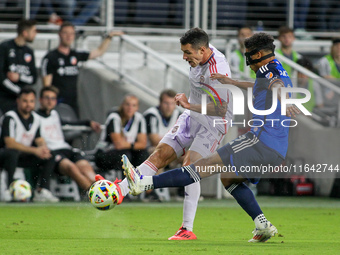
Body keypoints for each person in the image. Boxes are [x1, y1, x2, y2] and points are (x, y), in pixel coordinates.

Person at [123, 32, 301, 243]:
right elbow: (264, 84)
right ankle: (262, 224)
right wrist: (232, 81)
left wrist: (287, 101)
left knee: (199, 167)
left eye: (248, 56)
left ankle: (143, 184)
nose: (248, 62)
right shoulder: (275, 67)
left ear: (259, 54)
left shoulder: (269, 70)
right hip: (276, 150)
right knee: (228, 177)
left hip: (259, 141)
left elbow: (277, 86)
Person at [97, 27, 233, 240]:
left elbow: (222, 108)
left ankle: (187, 229)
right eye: (183, 52)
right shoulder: (201, 53)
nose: (184, 57)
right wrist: (191, 106)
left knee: (190, 165)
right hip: (192, 115)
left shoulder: (219, 72)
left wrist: (189, 104)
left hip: (213, 123)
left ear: (202, 50)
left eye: (187, 53)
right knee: (160, 154)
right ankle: (120, 192)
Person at [41, 22, 124, 115]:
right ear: (59, 34)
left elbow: (98, 52)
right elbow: (46, 87)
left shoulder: (75, 55)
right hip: (57, 101)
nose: (69, 36)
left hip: (73, 100)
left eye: (71, 33)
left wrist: (109, 37)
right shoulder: (50, 57)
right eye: (65, 33)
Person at [0, 87, 59, 202]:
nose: (28, 104)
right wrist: (34, 150)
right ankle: (9, 189)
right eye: (25, 101)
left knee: (50, 154)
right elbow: (9, 143)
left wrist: (43, 148)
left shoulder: (36, 119)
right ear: (18, 101)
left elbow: (39, 139)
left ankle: (42, 190)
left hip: (23, 155)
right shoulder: (10, 117)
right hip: (5, 155)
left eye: (31, 101)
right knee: (12, 153)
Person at [37, 86, 100, 192]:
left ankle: (103, 190)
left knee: (85, 166)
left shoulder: (54, 114)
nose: (50, 101)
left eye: (53, 98)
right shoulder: (35, 117)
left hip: (65, 149)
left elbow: (70, 123)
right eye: (47, 98)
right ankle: (93, 193)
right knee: (72, 168)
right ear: (40, 100)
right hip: (52, 153)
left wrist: (88, 122)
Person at [95, 95, 148, 176]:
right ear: (122, 105)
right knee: (125, 156)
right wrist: (133, 145)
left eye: (133, 105)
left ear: (137, 108)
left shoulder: (139, 119)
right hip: (104, 153)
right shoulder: (114, 117)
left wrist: (127, 144)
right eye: (127, 104)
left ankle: (143, 184)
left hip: (126, 151)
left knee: (143, 154)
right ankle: (124, 185)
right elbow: (118, 145)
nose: (130, 108)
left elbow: (143, 144)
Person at [143, 89, 182, 201]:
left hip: (172, 150)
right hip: (149, 151)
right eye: (166, 103)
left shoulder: (179, 115)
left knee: (190, 156)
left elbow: (183, 139)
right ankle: (150, 191)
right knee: (159, 153)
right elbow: (154, 139)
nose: (169, 107)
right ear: (160, 103)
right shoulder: (151, 115)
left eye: (172, 103)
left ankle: (184, 191)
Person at [0, 19, 37, 114]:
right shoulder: (5, 47)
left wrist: (20, 77)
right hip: (5, 99)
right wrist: (18, 91)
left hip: (23, 101)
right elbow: (1, 76)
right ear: (25, 33)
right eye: (33, 31)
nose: (35, 34)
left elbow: (34, 78)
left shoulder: (29, 51)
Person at [317, 38, 340, 105]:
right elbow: (324, 78)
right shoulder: (324, 61)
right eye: (336, 46)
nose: (339, 49)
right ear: (332, 48)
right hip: (329, 90)